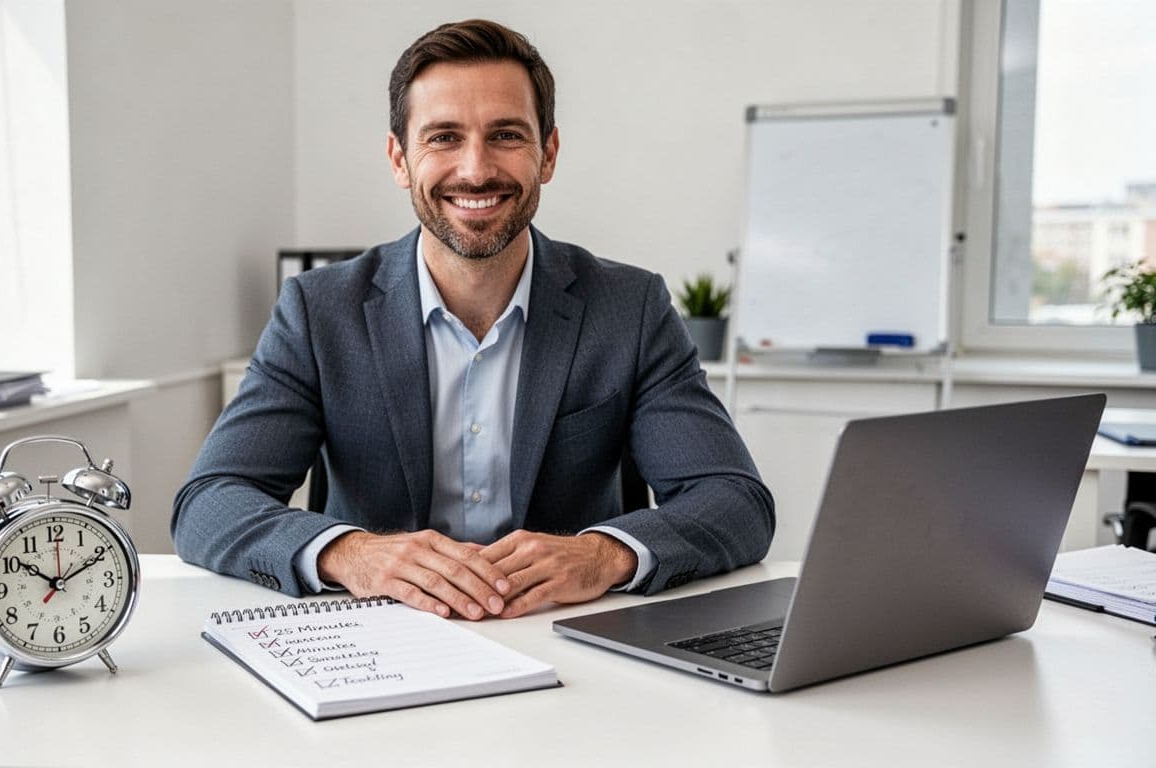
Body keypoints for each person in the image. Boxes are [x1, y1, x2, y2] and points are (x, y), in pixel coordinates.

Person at [172, 19, 773, 620]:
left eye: (506, 134)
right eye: (444, 138)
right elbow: (210, 501)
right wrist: (351, 553)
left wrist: (602, 552)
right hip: (374, 644)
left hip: (570, 644)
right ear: (399, 159)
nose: (476, 169)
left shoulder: (630, 308)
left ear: (549, 153)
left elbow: (734, 500)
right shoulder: (318, 311)